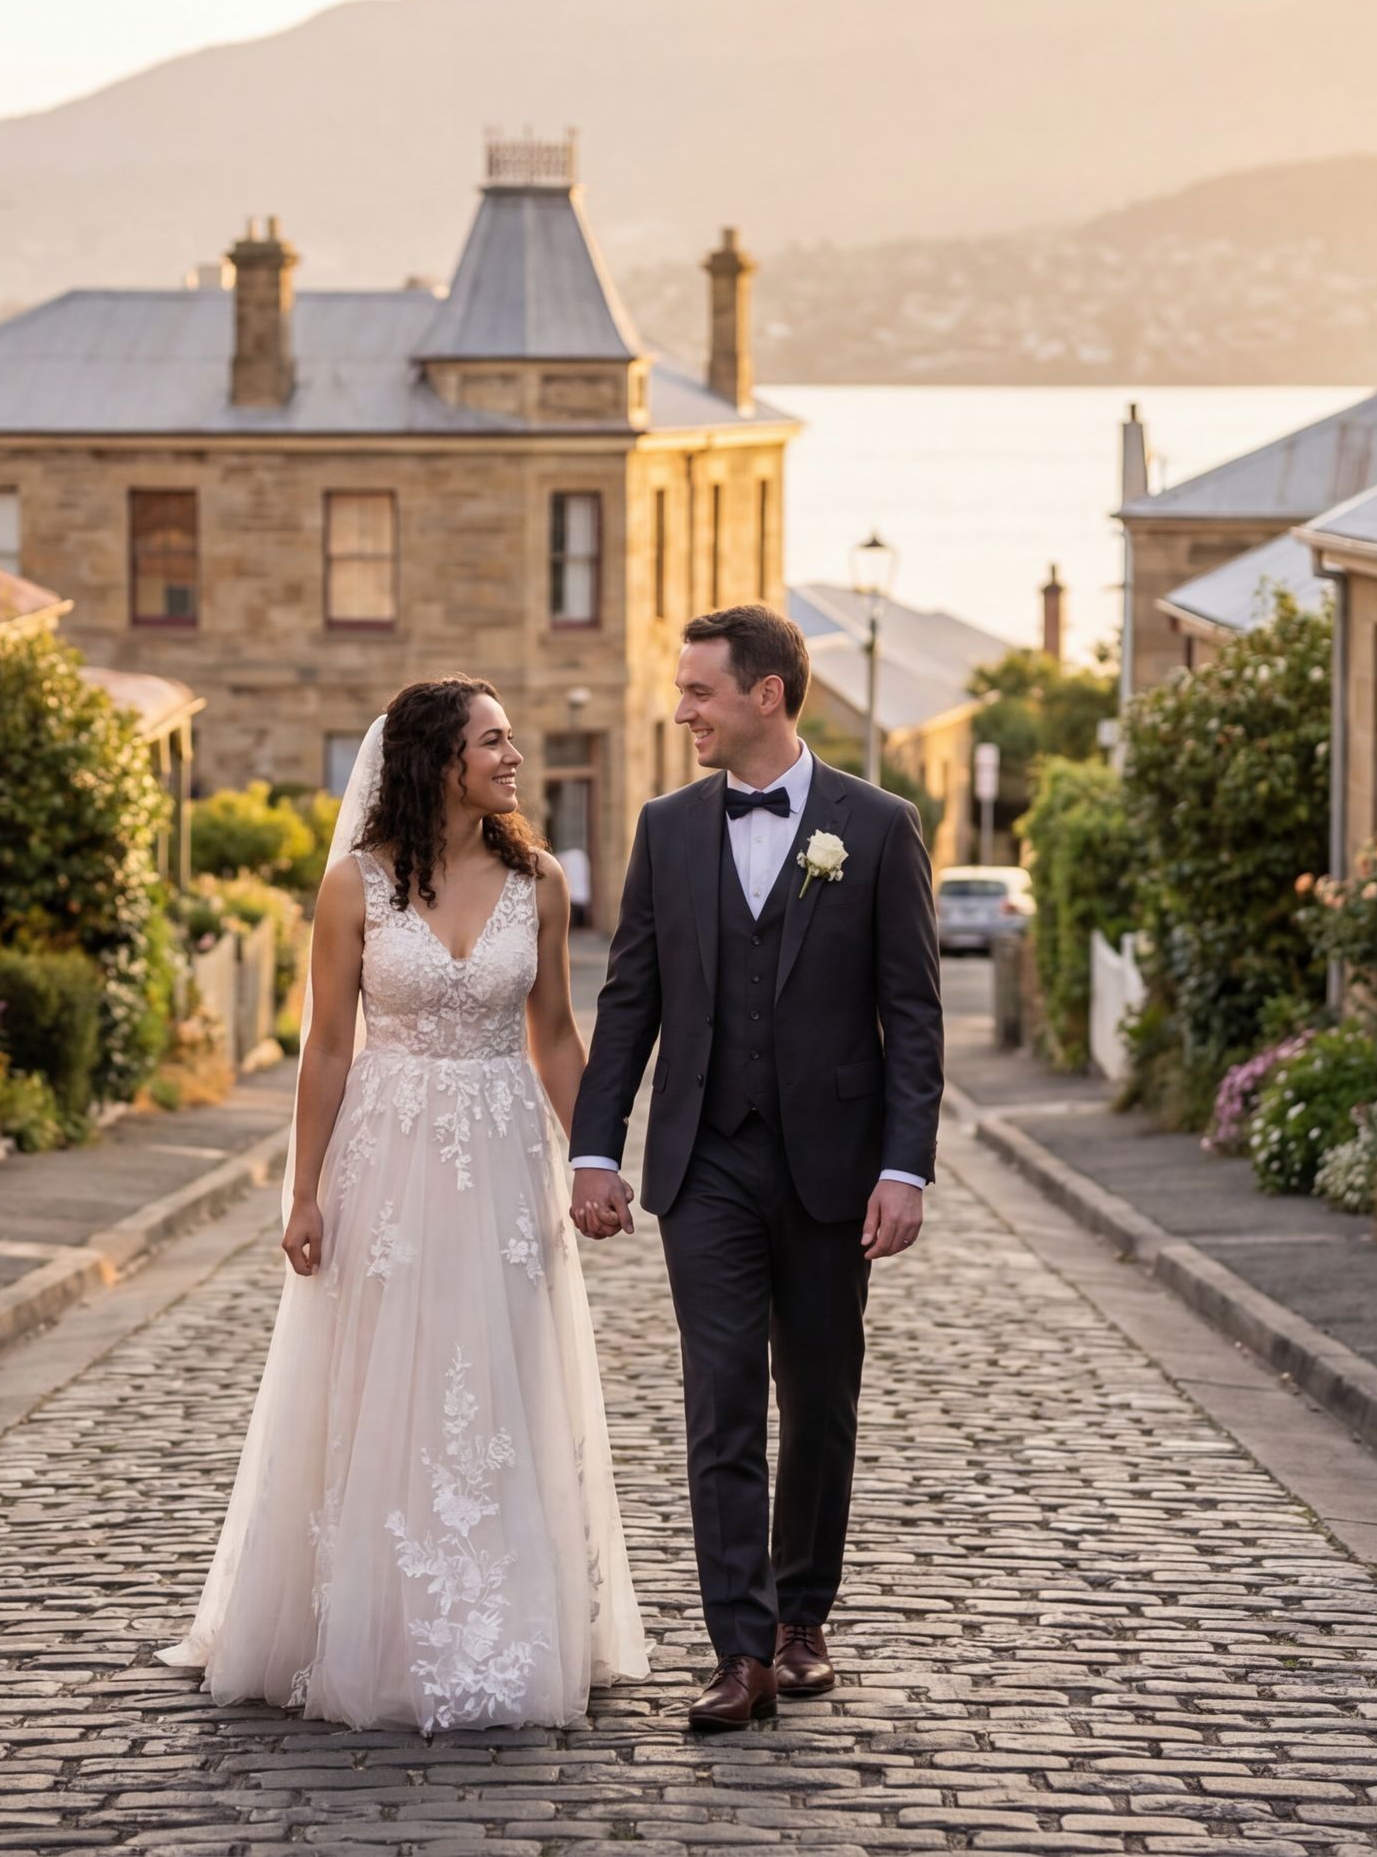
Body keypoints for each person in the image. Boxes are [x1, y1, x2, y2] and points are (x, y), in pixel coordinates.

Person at [162, 677, 650, 1731]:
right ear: (439, 760)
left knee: (500, 1376)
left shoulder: (542, 882)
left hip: (505, 1155)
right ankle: (369, 1619)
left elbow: (556, 1037)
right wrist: (303, 1192)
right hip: (386, 1158)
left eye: (511, 741)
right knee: (387, 1378)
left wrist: (596, 1160)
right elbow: (328, 1047)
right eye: (494, 742)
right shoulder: (355, 888)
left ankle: (507, 1617)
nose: (513, 759)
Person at [569, 604, 943, 1731]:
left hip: (834, 1167)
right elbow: (630, 999)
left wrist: (905, 1169)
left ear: (765, 696)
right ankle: (739, 1651)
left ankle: (802, 1622)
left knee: (819, 1395)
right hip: (708, 1162)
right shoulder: (667, 829)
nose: (681, 709)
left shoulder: (876, 828)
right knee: (721, 1397)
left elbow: (912, 1014)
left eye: (698, 692)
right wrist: (596, 1146)